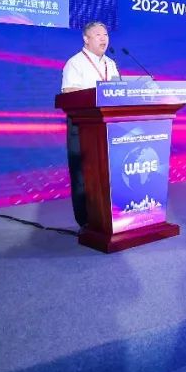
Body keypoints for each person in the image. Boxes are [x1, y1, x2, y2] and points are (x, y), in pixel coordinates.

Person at [60, 21, 119, 228]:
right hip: (83, 126)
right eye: (98, 35)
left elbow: (118, 93)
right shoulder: (75, 63)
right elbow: (69, 93)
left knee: (107, 173)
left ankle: (109, 215)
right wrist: (96, 95)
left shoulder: (110, 63)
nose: (104, 38)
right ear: (86, 39)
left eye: (106, 34)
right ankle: (86, 221)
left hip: (108, 126)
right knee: (83, 175)